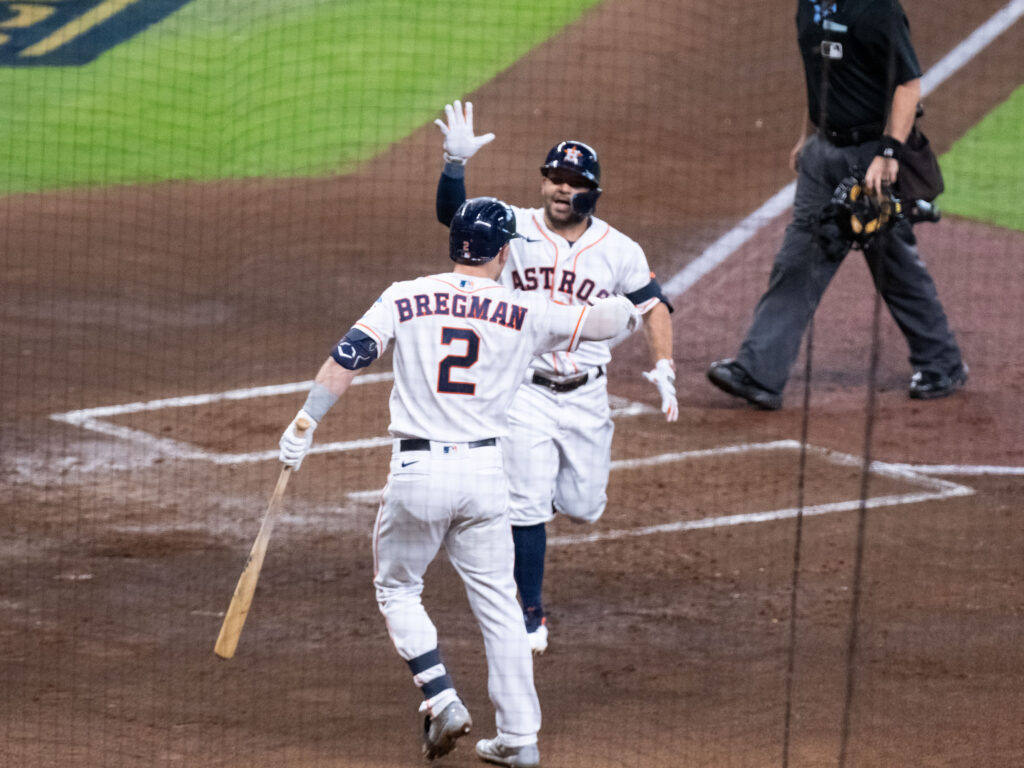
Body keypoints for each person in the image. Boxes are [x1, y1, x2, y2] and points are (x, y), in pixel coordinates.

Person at [278, 197, 640, 768]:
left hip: (418, 473)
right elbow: (606, 321)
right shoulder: (527, 312)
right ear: (502, 252)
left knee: (397, 587)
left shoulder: (404, 295)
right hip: (485, 476)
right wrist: (630, 306)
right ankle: (520, 739)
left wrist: (304, 422)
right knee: (499, 602)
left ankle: (441, 695)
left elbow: (348, 357)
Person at [433, 101, 678, 655]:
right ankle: (530, 612)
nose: (562, 190)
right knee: (526, 506)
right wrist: (454, 164)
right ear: (543, 182)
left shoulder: (619, 250)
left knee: (586, 506)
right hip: (523, 392)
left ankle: (535, 513)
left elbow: (654, 304)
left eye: (575, 182)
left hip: (588, 397)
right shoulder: (513, 225)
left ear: (594, 191)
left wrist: (663, 363)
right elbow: (455, 218)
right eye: (554, 179)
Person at [706, 0, 966, 410]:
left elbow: (907, 85)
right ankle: (760, 372)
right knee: (798, 258)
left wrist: (888, 154)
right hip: (823, 154)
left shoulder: (878, 9)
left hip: (870, 156)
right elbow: (822, 81)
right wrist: (809, 134)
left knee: (891, 260)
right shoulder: (809, 6)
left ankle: (942, 362)